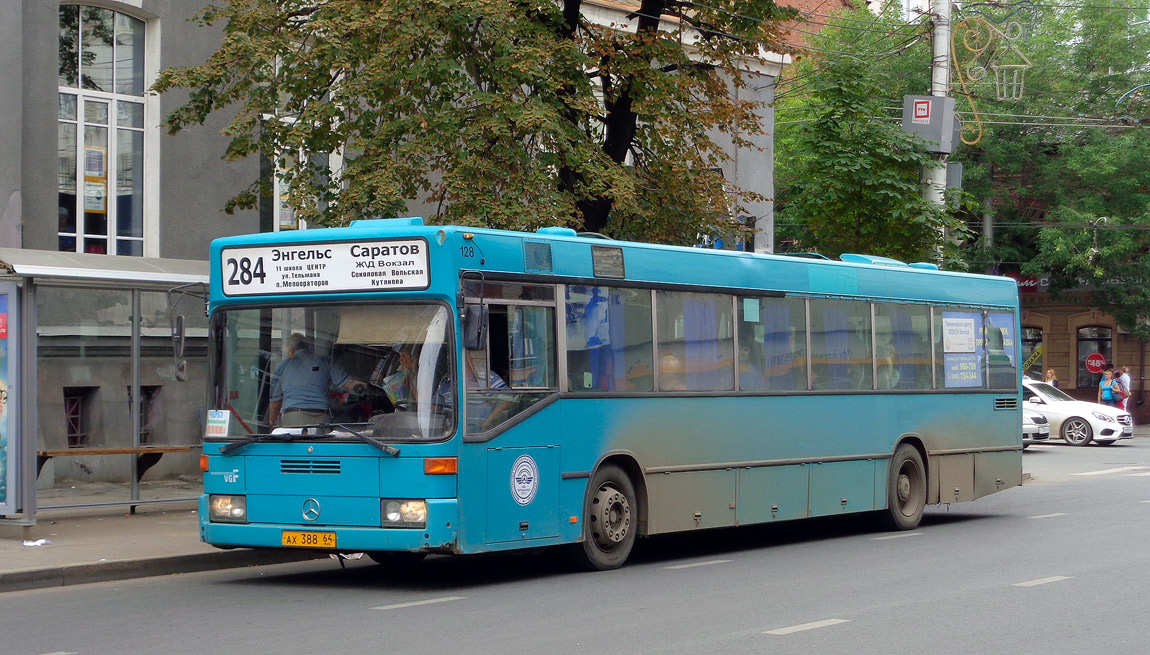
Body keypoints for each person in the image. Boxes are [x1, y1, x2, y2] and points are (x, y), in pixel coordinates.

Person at [267, 333, 361, 428]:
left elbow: (275, 403)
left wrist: (271, 422)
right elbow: (349, 384)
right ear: (309, 347)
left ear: (291, 350)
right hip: (321, 418)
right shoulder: (326, 362)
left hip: (293, 417)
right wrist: (369, 388)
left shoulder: (282, 367)